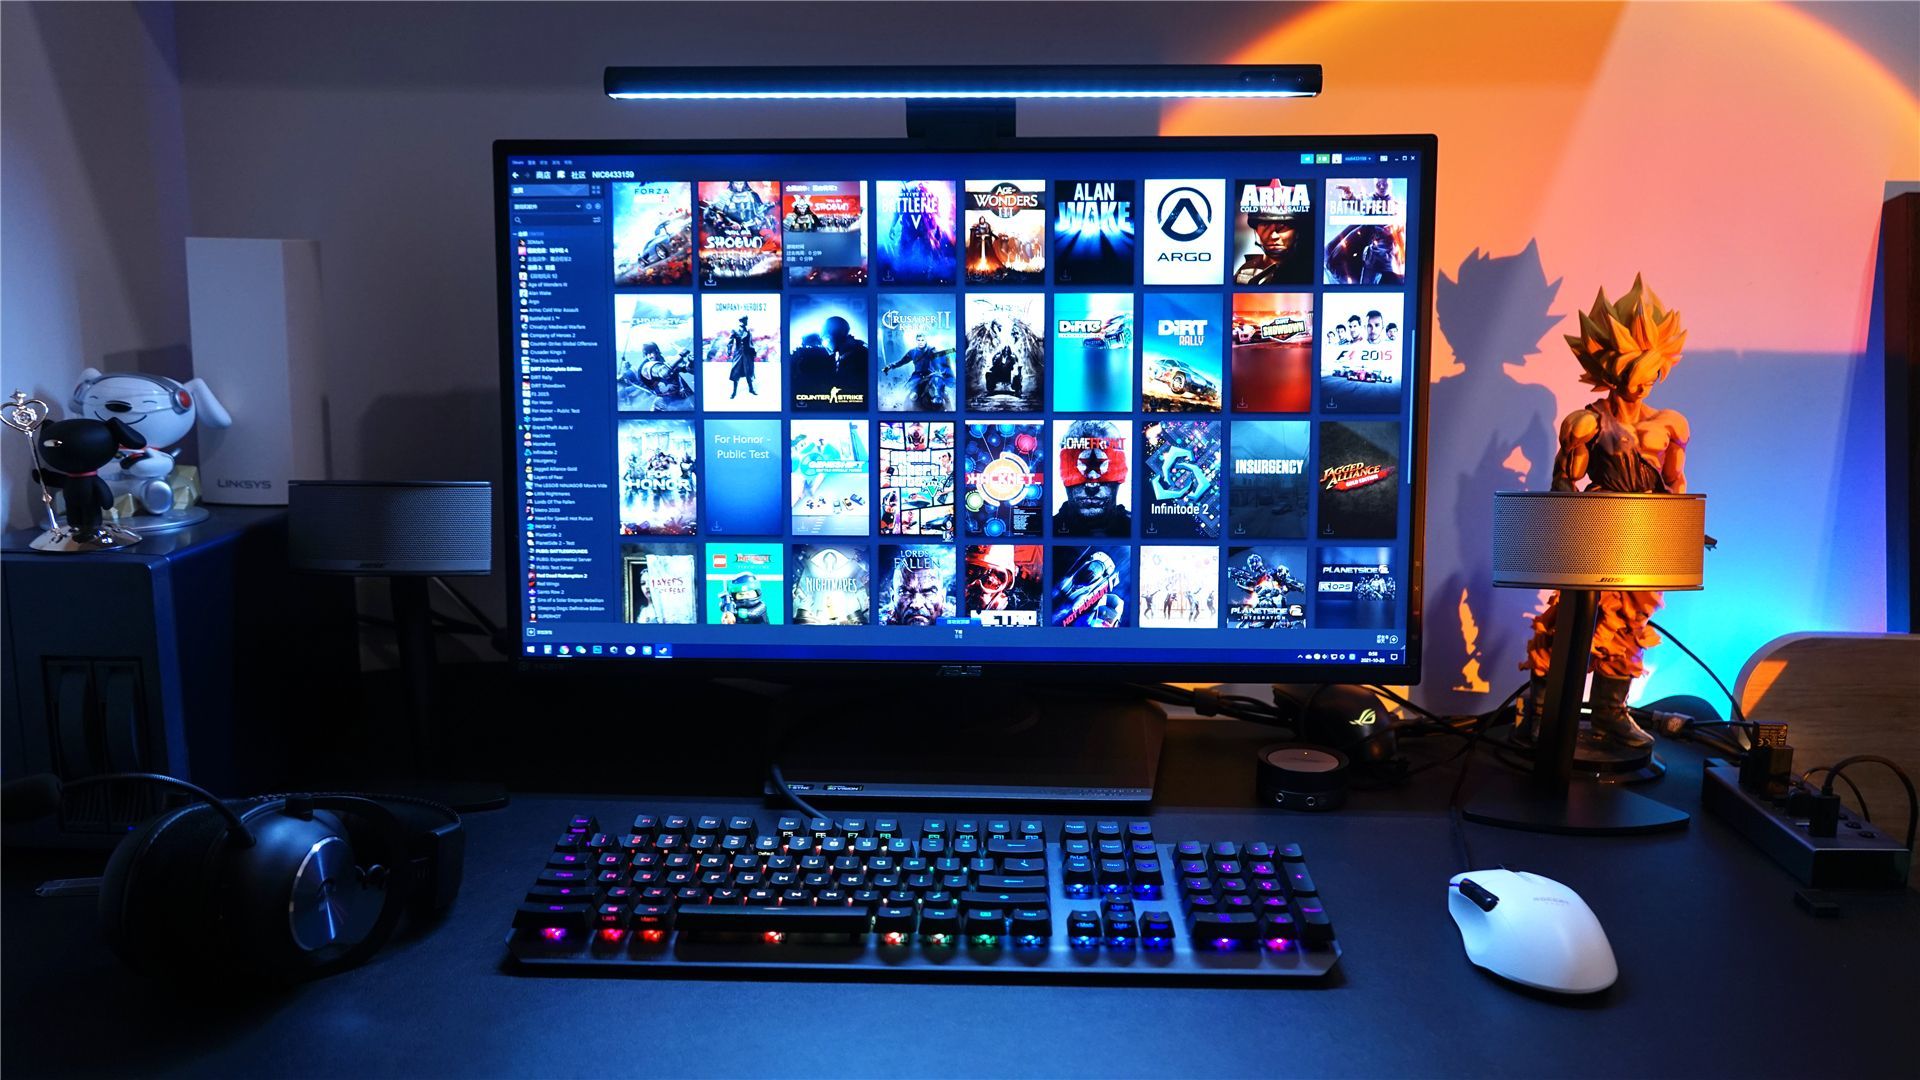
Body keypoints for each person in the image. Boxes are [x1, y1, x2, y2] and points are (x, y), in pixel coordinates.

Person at [1521, 276, 1693, 749]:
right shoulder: (1587, 422)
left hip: (1645, 532)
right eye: (1637, 367)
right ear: (1612, 367)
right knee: (1572, 622)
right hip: (1595, 528)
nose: (1646, 379)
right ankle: (1541, 713)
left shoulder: (1670, 424)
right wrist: (1570, 535)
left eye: (1653, 368)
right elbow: (1563, 485)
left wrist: (1677, 532)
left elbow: (1676, 485)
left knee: (1629, 627)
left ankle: (1610, 713)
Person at [1053, 419, 1131, 537]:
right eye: (1080, 468)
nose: (1092, 485)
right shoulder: (1043, 530)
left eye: (1104, 467)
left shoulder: (1138, 528)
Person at [1234, 201, 1312, 285]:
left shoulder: (1311, 270)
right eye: (1265, 225)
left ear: (1296, 232)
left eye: (1283, 227)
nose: (1273, 236)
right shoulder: (1245, 272)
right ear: (1256, 231)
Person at [727, 316, 757, 398]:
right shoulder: (735, 330)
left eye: (747, 320)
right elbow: (730, 341)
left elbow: (750, 343)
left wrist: (753, 351)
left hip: (747, 354)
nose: (747, 322)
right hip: (738, 354)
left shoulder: (748, 331)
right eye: (746, 320)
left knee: (748, 372)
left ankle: (751, 389)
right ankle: (734, 392)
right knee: (736, 373)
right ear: (742, 321)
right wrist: (729, 351)